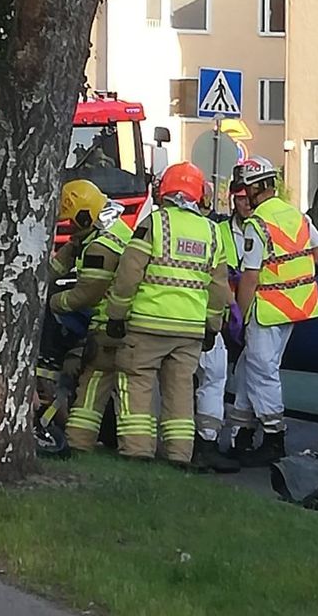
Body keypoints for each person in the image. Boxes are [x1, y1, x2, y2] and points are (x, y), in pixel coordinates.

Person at [106, 162, 227, 466]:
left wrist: (116, 313)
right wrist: (213, 326)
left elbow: (129, 272)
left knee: (136, 382)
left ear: (165, 191)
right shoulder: (212, 232)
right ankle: (178, 455)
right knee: (180, 390)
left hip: (147, 324)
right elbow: (218, 286)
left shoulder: (154, 223)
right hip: (189, 330)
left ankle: (137, 450)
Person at [231, 155, 318, 467]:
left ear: (258, 188)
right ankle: (243, 432)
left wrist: (239, 316)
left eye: (246, 189)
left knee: (262, 371)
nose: (244, 196)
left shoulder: (257, 225)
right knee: (250, 368)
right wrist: (292, 271)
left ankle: (274, 437)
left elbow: (249, 278)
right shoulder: (297, 216)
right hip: (294, 307)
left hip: (267, 310)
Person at [47, 180, 133, 451]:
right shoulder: (93, 233)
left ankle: (81, 440)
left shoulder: (100, 247)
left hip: (110, 322)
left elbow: (87, 294)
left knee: (93, 378)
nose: (70, 227)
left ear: (84, 216)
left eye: (72, 222)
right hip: (116, 320)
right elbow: (57, 266)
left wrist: (51, 302)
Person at [191, 179, 240, 473]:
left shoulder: (156, 224)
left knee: (174, 384)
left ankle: (177, 447)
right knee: (212, 378)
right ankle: (205, 445)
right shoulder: (214, 232)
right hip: (201, 322)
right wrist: (228, 314)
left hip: (159, 319)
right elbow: (222, 281)